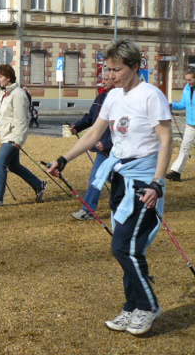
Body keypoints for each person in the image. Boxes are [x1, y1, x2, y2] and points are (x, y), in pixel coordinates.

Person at [47, 40, 171, 336]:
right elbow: (94, 133)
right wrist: (64, 159)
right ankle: (132, 307)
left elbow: (166, 140)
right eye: (107, 68)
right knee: (128, 248)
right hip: (118, 178)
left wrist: (157, 182)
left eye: (116, 69)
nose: (110, 74)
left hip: (143, 182)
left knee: (124, 247)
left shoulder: (151, 95)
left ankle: (149, 306)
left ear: (134, 67)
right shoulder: (113, 96)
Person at [0, 64, 47, 207]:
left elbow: (22, 120)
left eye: (0, 77)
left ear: (8, 78)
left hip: (13, 138)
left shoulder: (19, 94)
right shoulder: (1, 94)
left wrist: (18, 140)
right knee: (14, 166)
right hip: (5, 135)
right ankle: (39, 185)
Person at [68, 77, 114, 221]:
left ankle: (88, 210)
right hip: (103, 150)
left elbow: (122, 127)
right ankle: (88, 210)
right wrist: (78, 126)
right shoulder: (101, 97)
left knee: (100, 178)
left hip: (115, 149)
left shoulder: (120, 99)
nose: (103, 81)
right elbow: (91, 117)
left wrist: (107, 143)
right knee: (102, 178)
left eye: (107, 79)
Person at [165, 68, 195, 182]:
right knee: (184, 147)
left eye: (190, 80)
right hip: (190, 124)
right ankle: (176, 172)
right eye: (186, 80)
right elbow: (183, 104)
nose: (188, 82)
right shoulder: (187, 88)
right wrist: (171, 105)